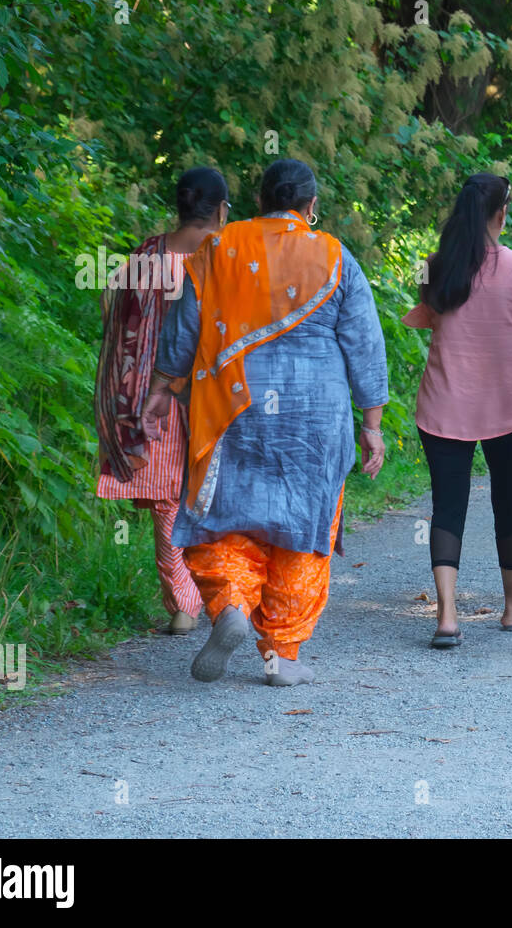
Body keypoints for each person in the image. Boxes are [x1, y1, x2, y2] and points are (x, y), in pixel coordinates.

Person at [141, 158, 388, 686]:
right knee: (302, 531)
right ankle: (282, 657)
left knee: (226, 518)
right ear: (311, 206)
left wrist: (162, 388)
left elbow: (184, 329)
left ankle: (229, 604)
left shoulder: (219, 249)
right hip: (314, 418)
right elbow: (365, 345)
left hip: (234, 409)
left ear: (258, 202)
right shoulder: (336, 256)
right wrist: (372, 424)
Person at [403, 174, 512, 649]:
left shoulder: (432, 267)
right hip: (510, 404)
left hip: (445, 404)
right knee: (509, 502)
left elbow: (427, 318)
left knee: (447, 505)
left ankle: (446, 617)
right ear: (501, 214)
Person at [94, 167, 229, 636]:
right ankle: (221, 596)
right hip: (203, 398)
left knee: (168, 503)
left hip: (147, 395)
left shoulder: (148, 252)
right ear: (221, 211)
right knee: (208, 498)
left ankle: (185, 605)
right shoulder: (220, 257)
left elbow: (112, 303)